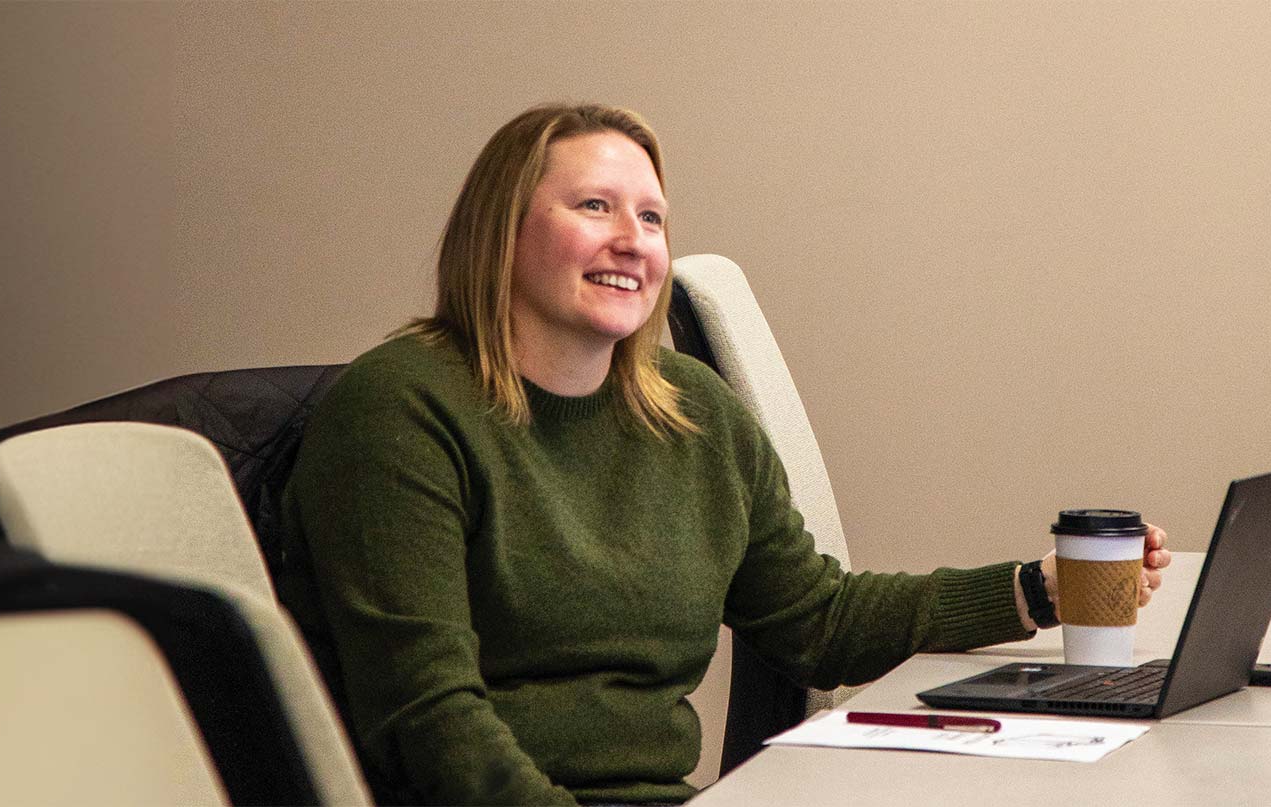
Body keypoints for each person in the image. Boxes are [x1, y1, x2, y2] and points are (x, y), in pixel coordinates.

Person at [280, 103, 1171, 806]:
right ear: (501, 231)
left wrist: (1037, 588)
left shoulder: (690, 411)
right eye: (594, 206)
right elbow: (428, 719)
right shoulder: (401, 409)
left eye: (652, 216)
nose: (634, 239)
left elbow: (817, 619)